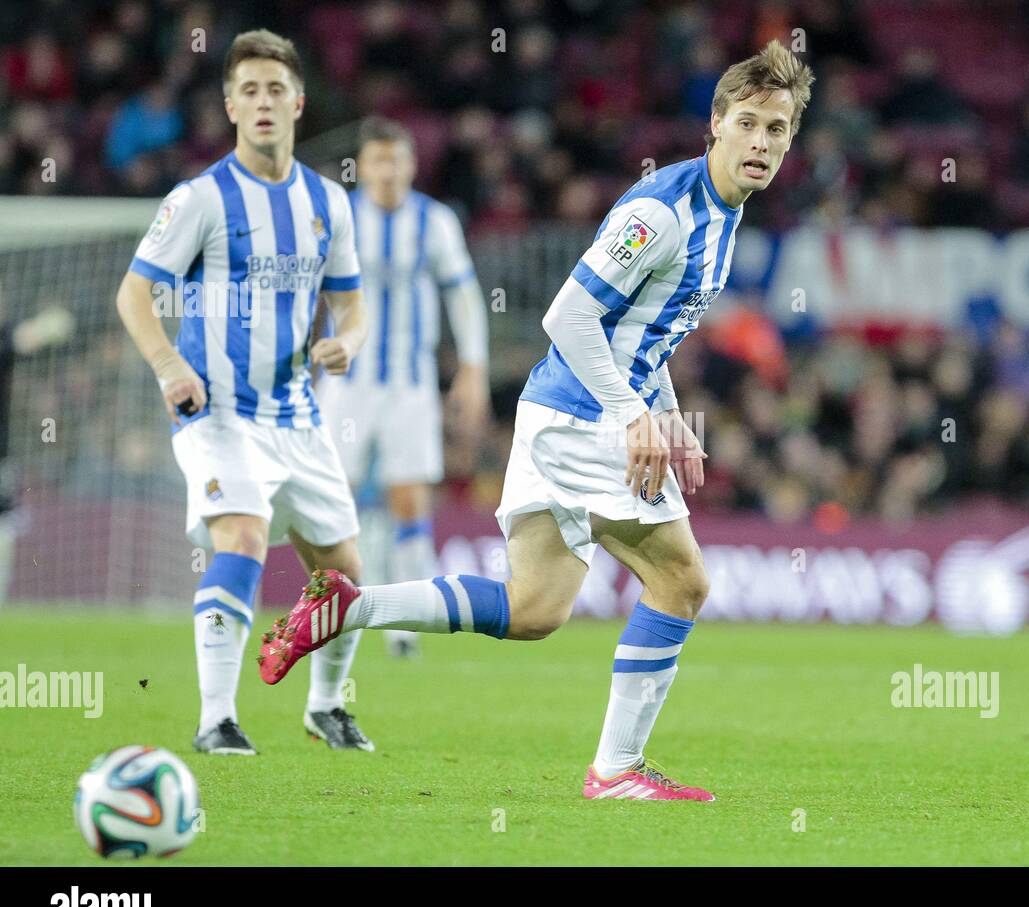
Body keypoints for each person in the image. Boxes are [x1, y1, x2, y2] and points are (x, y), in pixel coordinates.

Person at [260, 41, 815, 800]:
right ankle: (617, 771)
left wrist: (664, 410)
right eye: (747, 123)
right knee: (682, 582)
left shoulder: (724, 215)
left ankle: (353, 606)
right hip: (583, 418)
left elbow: (637, 334)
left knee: (533, 609)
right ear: (714, 123)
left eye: (777, 129)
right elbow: (569, 314)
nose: (760, 142)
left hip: (565, 415)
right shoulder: (664, 211)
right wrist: (631, 414)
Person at [115, 30, 373, 755]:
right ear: (231, 106)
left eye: (274, 90)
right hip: (218, 414)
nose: (263, 102)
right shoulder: (199, 199)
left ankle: (326, 707)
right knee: (244, 537)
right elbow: (135, 296)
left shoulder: (328, 202)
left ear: (297, 101)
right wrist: (170, 367)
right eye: (248, 91)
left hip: (298, 416)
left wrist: (345, 344)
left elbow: (354, 305)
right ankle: (216, 720)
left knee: (346, 576)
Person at [316, 116, 489, 659]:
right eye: (378, 161)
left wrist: (473, 366)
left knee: (409, 500)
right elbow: (309, 289)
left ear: (411, 166)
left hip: (409, 386)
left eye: (397, 160)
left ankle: (404, 627)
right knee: (331, 500)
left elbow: (462, 294)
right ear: (362, 167)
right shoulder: (339, 217)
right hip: (346, 382)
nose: (388, 171)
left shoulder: (433, 221)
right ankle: (327, 612)